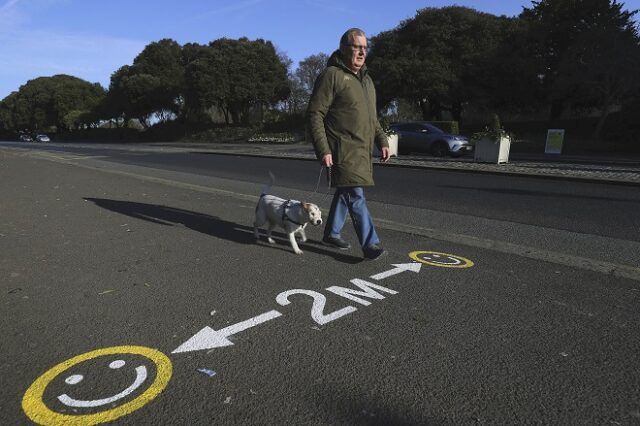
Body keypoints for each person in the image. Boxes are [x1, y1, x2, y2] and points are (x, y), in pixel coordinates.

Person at [306, 27, 390, 260]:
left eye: (365, 47)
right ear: (344, 49)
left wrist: (381, 140)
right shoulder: (331, 75)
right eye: (357, 47)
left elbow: (372, 118)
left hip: (362, 150)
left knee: (347, 191)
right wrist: (323, 148)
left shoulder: (367, 81)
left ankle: (332, 233)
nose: (362, 52)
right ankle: (370, 243)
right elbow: (315, 114)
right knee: (355, 193)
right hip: (341, 148)